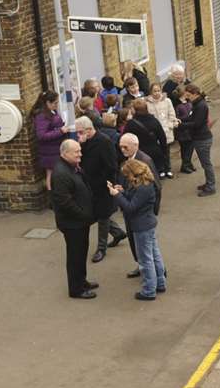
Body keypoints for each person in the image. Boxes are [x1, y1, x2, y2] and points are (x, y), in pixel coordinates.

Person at [109, 158, 166, 300]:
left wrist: (116, 195)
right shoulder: (145, 184)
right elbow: (134, 199)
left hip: (141, 227)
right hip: (148, 224)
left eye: (127, 176)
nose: (127, 179)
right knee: (154, 255)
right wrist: (122, 192)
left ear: (134, 174)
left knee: (145, 259)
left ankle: (149, 290)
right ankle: (160, 283)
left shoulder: (142, 188)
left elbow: (130, 207)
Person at [50, 138, 98, 299]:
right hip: (73, 224)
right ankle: (76, 289)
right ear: (65, 153)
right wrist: (83, 214)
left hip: (79, 222)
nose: (80, 154)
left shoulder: (71, 167)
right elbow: (64, 202)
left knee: (81, 252)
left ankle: (81, 281)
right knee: (75, 256)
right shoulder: (61, 173)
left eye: (80, 150)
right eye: (76, 152)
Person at [75, 115, 125, 262]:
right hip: (89, 185)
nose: (78, 135)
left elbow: (112, 166)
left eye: (80, 132)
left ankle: (101, 248)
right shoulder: (84, 142)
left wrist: (109, 184)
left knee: (102, 215)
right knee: (97, 214)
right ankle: (118, 233)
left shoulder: (104, 142)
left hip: (103, 185)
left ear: (89, 130)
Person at [117, 133, 163, 280]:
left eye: (126, 147)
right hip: (133, 209)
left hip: (140, 212)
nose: (123, 150)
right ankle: (144, 266)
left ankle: (151, 276)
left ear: (135, 145)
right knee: (135, 241)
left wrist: (152, 210)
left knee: (146, 248)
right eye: (121, 147)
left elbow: (156, 187)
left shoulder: (144, 161)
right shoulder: (128, 159)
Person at [177, 83, 216, 195]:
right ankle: (208, 183)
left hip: (202, 139)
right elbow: (191, 117)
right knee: (205, 163)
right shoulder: (197, 103)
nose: (187, 97)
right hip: (200, 138)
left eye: (189, 95)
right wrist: (181, 120)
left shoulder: (201, 106)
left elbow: (196, 123)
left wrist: (180, 125)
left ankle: (211, 186)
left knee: (206, 164)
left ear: (195, 94)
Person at [125, 99, 171, 176]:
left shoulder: (131, 124)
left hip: (139, 153)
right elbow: (162, 137)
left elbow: (126, 138)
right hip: (155, 151)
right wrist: (164, 151)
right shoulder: (154, 120)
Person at [32, 91, 66, 190]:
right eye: (55, 103)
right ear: (48, 103)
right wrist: (61, 131)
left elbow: (53, 126)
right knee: (50, 174)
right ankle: (52, 197)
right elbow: (41, 135)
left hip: (55, 148)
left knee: (54, 174)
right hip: (49, 151)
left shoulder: (51, 111)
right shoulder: (42, 116)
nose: (57, 105)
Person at [144, 82, 179, 176]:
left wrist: (170, 125)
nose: (157, 93)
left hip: (166, 130)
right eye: (154, 91)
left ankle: (168, 168)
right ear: (150, 92)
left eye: (158, 90)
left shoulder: (167, 101)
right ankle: (160, 169)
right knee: (157, 152)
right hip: (154, 132)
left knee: (166, 151)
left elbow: (172, 114)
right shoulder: (146, 103)